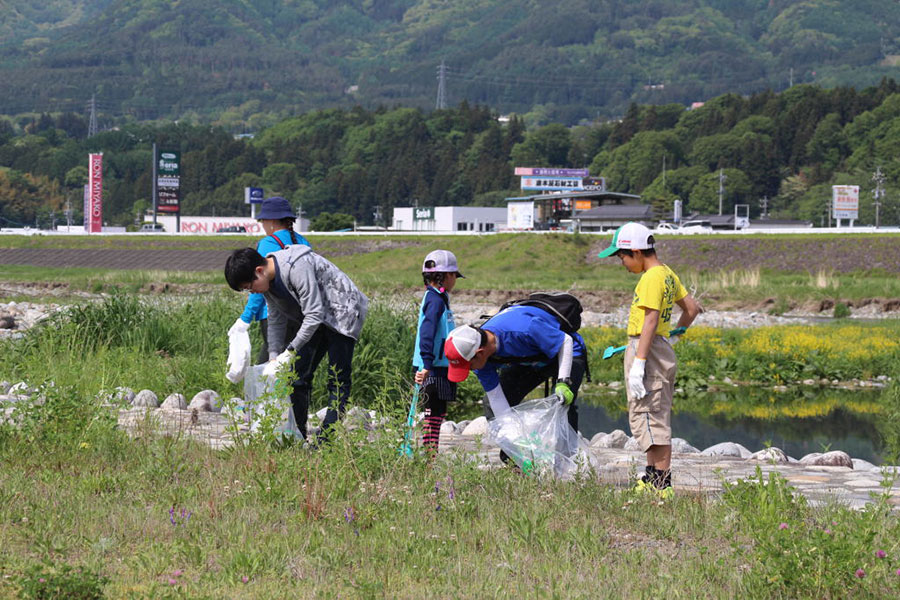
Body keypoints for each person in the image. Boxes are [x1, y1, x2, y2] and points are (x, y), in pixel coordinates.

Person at [597, 222, 700, 498]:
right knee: (649, 413)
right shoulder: (667, 274)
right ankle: (652, 477)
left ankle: (661, 485)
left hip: (648, 350)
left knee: (652, 417)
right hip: (658, 347)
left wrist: (640, 362)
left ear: (637, 252)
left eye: (622, 257)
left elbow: (651, 320)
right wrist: (675, 334)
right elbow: (692, 308)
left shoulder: (651, 278)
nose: (622, 263)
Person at [224, 245, 368, 440]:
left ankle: (327, 439)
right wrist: (274, 356)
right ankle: (296, 434)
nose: (252, 292)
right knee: (298, 374)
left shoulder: (296, 267)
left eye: (249, 287)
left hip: (342, 310)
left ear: (259, 271)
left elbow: (314, 313)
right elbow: (275, 318)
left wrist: (290, 350)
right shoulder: (268, 284)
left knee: (337, 377)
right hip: (315, 317)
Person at [443, 302, 588, 458]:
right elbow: (497, 399)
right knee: (492, 404)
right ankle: (516, 460)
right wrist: (516, 445)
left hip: (566, 351)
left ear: (480, 352)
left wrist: (563, 382)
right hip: (531, 359)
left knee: (561, 402)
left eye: (468, 366)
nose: (470, 370)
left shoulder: (523, 328)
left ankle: (568, 460)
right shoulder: (480, 360)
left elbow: (565, 341)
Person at [228, 196, 310, 365]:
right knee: (292, 365)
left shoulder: (269, 242)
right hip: (300, 314)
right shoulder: (303, 241)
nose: (262, 225)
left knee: (269, 365)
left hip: (274, 314)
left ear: (271, 221)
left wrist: (246, 317)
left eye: (262, 221)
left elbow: (258, 285)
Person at [412, 250, 463, 455]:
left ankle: (430, 456)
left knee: (438, 413)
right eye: (454, 275)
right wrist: (426, 364)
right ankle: (428, 458)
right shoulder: (435, 300)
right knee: (432, 415)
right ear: (446, 276)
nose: (455, 280)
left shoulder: (440, 297)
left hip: (440, 365)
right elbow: (427, 331)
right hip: (431, 367)